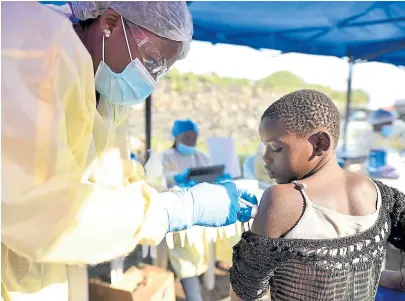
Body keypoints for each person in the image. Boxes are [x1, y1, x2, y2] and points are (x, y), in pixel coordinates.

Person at [1, 2, 257, 301]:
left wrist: (166, 197)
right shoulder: (30, 47)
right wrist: (174, 210)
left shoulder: (102, 85)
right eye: (151, 61)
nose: (150, 80)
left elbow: (113, 176)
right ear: (109, 23)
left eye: (161, 71)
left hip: (41, 266)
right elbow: (36, 208)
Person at [229, 90, 405, 300]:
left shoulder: (282, 199)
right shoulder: (378, 193)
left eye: (275, 148)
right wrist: (383, 278)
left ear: (320, 143)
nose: (265, 157)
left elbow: (244, 294)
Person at [160, 119, 210, 301]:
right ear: (176, 136)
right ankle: (193, 294)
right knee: (185, 252)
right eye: (187, 136)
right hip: (178, 212)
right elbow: (158, 178)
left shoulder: (201, 157)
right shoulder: (165, 157)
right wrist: (177, 179)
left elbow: (212, 174)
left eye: (194, 137)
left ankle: (198, 285)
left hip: (202, 210)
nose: (191, 140)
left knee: (200, 251)